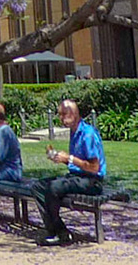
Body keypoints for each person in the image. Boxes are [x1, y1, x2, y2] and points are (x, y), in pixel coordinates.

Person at [35, 98, 105, 246]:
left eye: (64, 114)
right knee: (38, 186)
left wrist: (70, 158)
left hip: (92, 181)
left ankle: (57, 234)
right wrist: (62, 160)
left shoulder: (87, 134)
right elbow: (78, 163)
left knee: (54, 187)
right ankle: (58, 230)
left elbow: (94, 167)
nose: (61, 118)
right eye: (59, 115)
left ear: (73, 114)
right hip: (77, 176)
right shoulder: (74, 132)